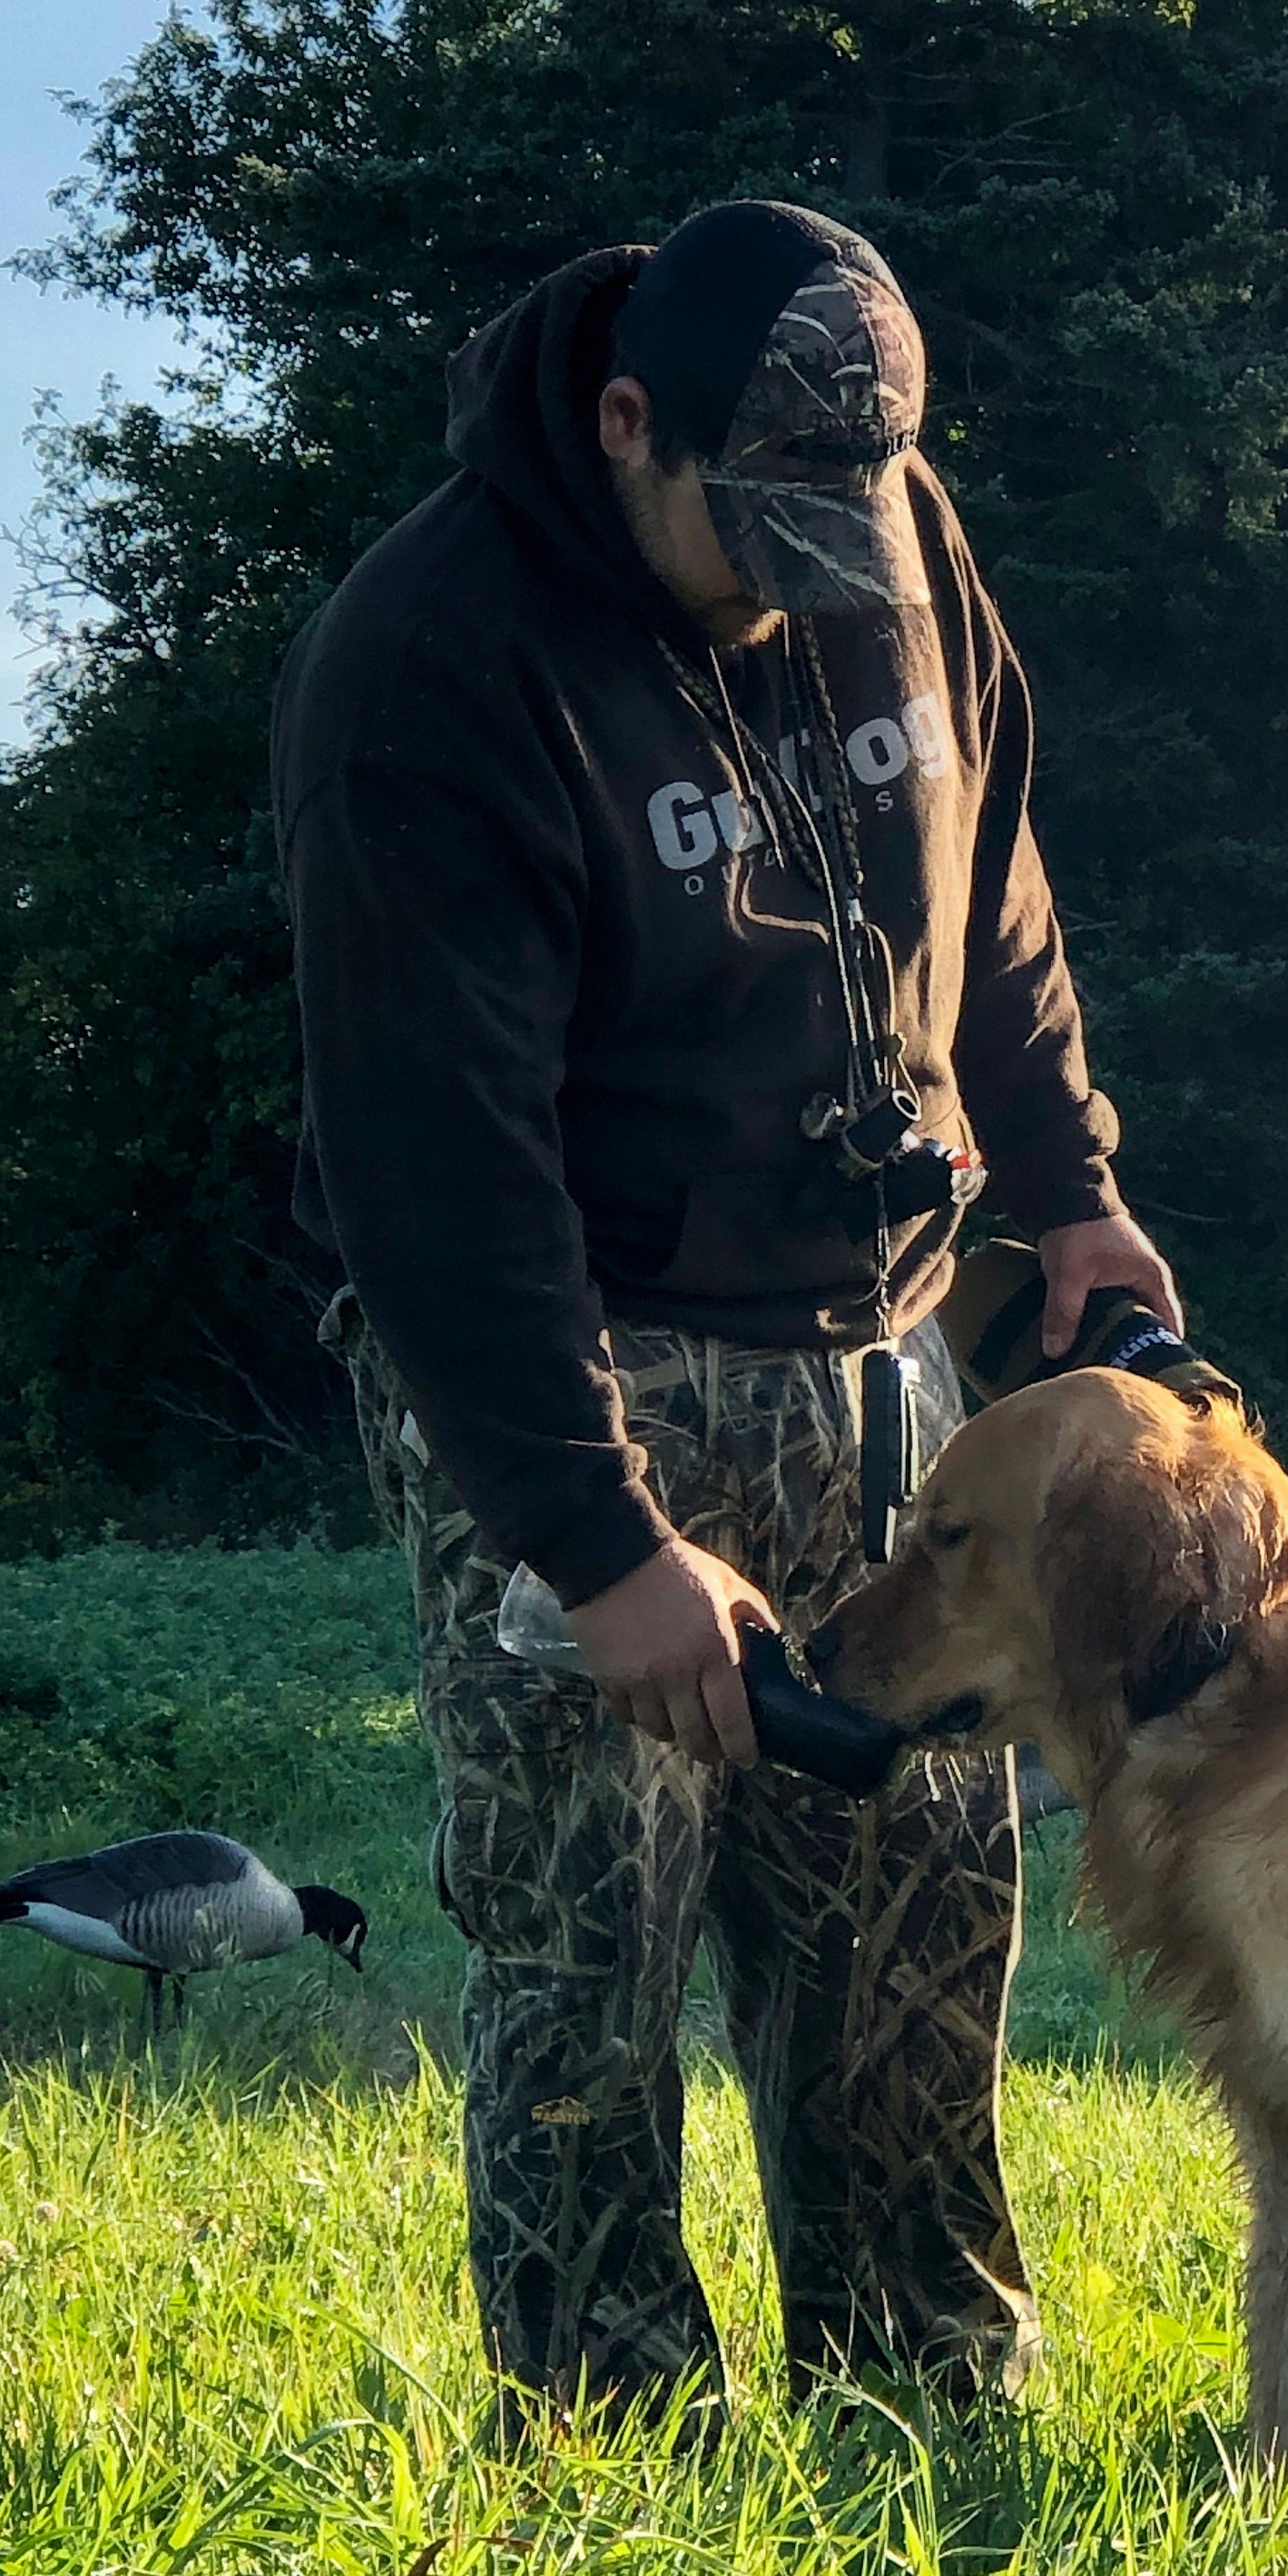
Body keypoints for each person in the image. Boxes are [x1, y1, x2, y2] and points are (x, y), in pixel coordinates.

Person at [272, 199, 1176, 2433]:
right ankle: (612, 2452)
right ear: (622, 424)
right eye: (755, 524)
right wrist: (596, 1543)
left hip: (888, 1343)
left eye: (843, 521)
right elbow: (434, 1173)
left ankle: (924, 2407)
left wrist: (1068, 1193)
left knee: (917, 1900)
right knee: (593, 1936)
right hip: (580, 1351)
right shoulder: (432, 663)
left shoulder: (887, 521)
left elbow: (999, 876)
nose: (808, 575)